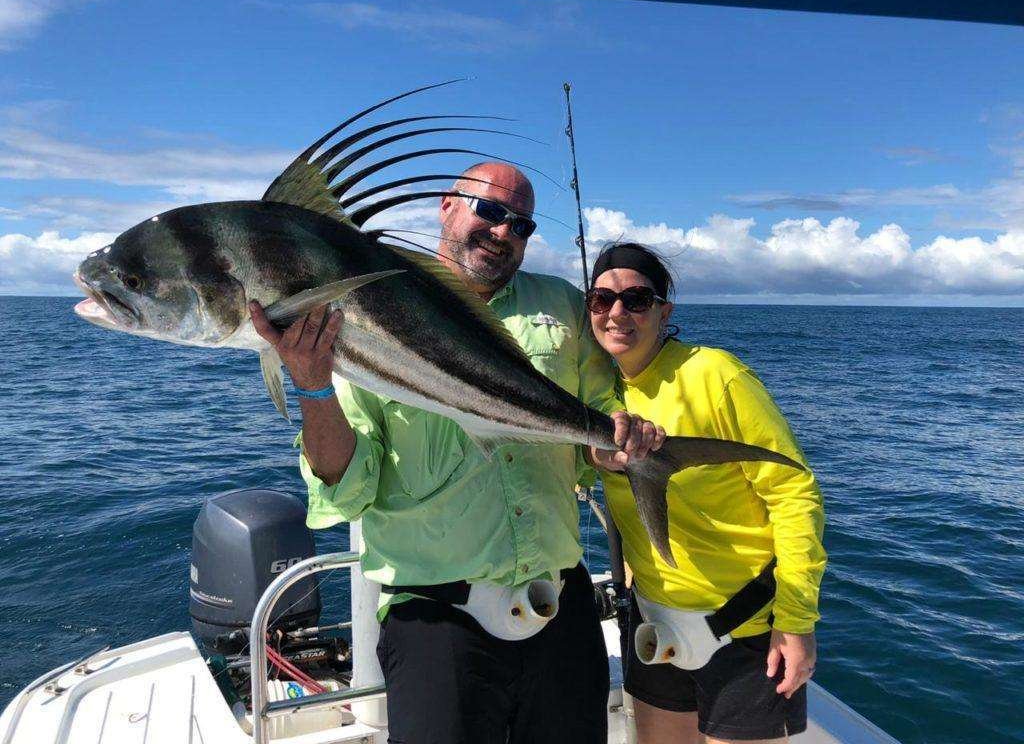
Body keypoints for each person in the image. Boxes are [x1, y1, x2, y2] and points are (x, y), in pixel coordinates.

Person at [250, 164, 662, 744]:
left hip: (560, 603)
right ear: (447, 204)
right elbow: (349, 483)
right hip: (437, 617)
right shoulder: (365, 307)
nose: (502, 232)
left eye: (521, 224)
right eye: (489, 212)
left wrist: (615, 448)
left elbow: (593, 419)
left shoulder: (563, 303)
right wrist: (314, 385)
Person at [587, 242, 826, 744]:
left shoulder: (716, 373)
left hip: (745, 631)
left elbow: (793, 490)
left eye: (637, 299)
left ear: (664, 310)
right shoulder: (597, 394)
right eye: (601, 300)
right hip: (654, 624)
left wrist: (797, 620)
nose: (617, 313)